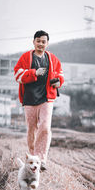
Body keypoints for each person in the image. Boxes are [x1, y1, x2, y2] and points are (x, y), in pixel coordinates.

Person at [14, 30, 64, 170]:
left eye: (43, 41)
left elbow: (60, 74)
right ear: (34, 42)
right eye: (38, 41)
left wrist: (58, 81)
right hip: (29, 98)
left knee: (45, 127)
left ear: (47, 43)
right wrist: (34, 73)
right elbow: (18, 75)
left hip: (47, 98)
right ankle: (32, 157)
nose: (41, 44)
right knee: (31, 129)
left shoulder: (52, 59)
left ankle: (41, 160)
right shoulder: (25, 57)